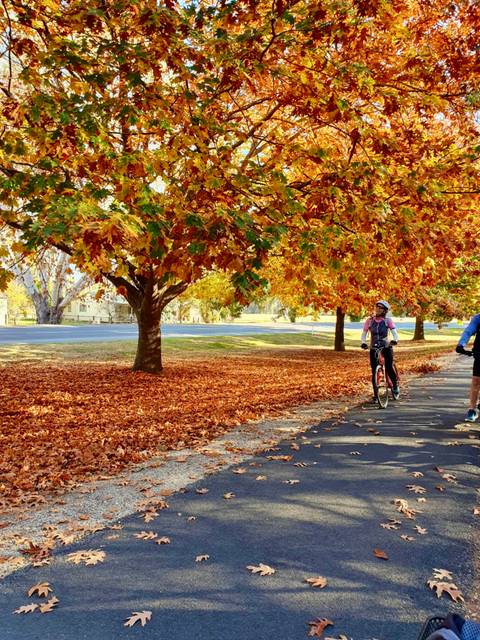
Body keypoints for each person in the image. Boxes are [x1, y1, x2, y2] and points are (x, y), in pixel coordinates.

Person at [361, 300, 399, 399]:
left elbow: (394, 332)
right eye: (377, 306)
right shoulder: (369, 321)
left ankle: (395, 385)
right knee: (374, 371)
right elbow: (364, 333)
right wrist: (363, 343)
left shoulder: (388, 321)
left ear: (384, 310)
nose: (377, 308)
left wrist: (395, 340)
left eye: (380, 307)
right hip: (374, 347)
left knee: (389, 367)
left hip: (386, 347)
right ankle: (376, 394)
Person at [455, 312, 480, 422]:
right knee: (476, 381)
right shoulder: (478, 318)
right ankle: (472, 410)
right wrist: (461, 344)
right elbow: (468, 331)